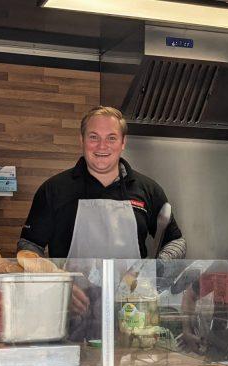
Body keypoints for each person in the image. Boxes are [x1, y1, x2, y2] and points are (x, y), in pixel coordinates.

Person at [17, 106, 185, 260]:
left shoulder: (149, 189)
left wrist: (159, 268)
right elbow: (30, 246)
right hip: (71, 293)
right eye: (93, 137)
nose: (102, 146)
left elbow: (175, 241)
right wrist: (54, 277)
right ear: (82, 140)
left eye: (111, 138)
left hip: (132, 293)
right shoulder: (53, 189)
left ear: (123, 142)